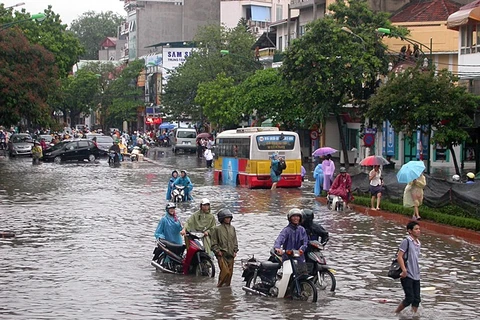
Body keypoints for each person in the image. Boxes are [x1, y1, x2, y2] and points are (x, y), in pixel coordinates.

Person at [395, 221, 421, 316]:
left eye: (419, 229)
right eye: (416, 229)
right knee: (409, 298)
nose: (418, 231)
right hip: (407, 274)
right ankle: (396, 313)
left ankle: (414, 315)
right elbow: (399, 256)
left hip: (416, 274)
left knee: (417, 299)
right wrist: (404, 270)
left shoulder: (418, 243)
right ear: (410, 231)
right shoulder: (406, 241)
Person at [211, 208, 238, 287]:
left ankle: (226, 290)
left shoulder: (232, 228)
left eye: (229, 218)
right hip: (222, 254)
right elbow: (213, 242)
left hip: (231, 254)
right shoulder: (217, 229)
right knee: (225, 272)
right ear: (222, 219)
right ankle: (219, 287)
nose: (228, 219)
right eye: (226, 218)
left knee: (230, 274)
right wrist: (217, 251)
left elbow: (235, 240)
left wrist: (235, 250)